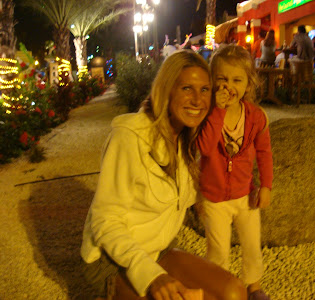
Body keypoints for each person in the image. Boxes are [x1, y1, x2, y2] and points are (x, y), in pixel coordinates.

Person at [81, 50, 248, 300]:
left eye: (204, 90)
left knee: (233, 292)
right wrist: (152, 276)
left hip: (159, 250)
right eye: (186, 89)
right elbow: (105, 221)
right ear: (166, 89)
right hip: (112, 259)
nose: (197, 100)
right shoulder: (129, 137)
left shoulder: (188, 140)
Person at [196, 44, 273, 300]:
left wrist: (266, 186)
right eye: (222, 79)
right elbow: (205, 148)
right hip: (214, 198)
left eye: (237, 80)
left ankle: (254, 286)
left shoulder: (256, 117)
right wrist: (217, 110)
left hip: (245, 195)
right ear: (212, 82)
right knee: (218, 251)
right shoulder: (208, 115)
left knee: (252, 244)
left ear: (248, 84)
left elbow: (264, 152)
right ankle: (219, 288)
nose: (229, 86)